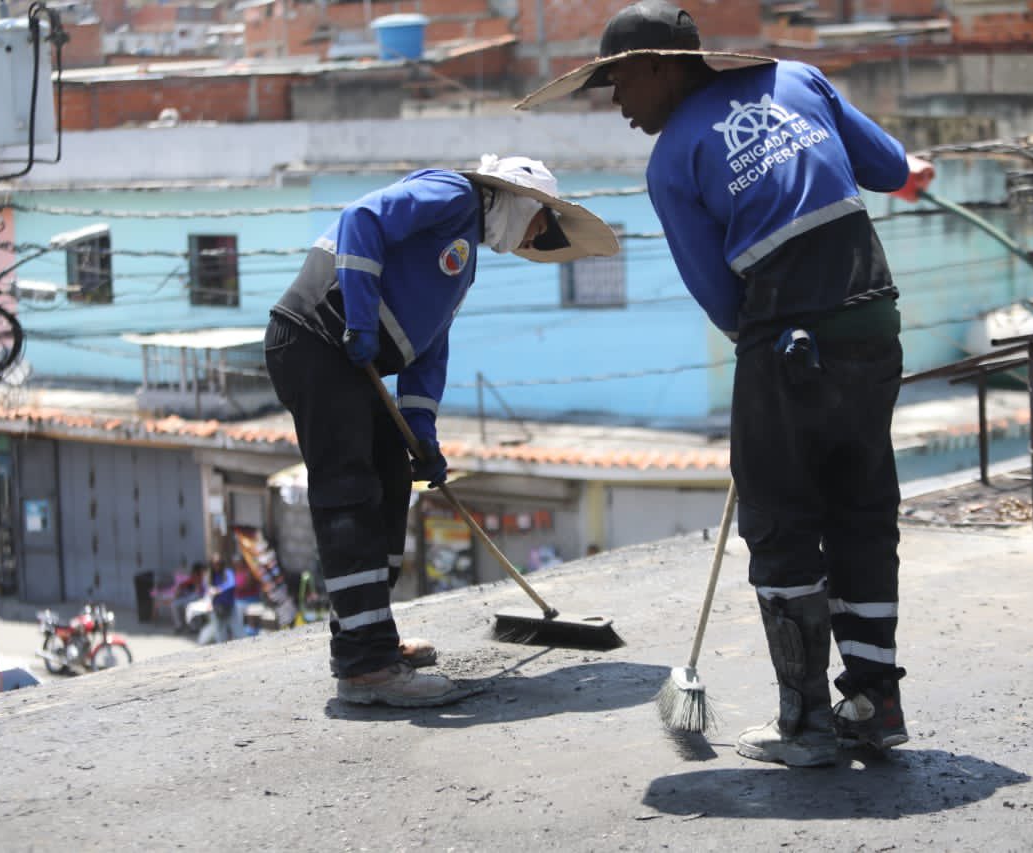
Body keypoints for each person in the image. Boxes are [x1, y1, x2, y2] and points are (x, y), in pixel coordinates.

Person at [519, 1, 934, 766]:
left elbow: (721, 297)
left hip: (786, 336)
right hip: (874, 323)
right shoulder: (799, 77)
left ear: (658, 66)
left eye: (617, 82)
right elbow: (889, 169)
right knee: (860, 513)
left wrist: (764, 382)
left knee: (779, 524)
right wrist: (908, 170)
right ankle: (875, 703)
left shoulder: (672, 158)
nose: (614, 102)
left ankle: (805, 725)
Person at [265, 155, 618, 708]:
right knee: (350, 494)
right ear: (519, 198)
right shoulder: (452, 193)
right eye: (541, 218)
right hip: (317, 342)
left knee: (387, 486)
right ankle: (366, 669)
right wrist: (358, 316)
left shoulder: (464, 258)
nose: (539, 233)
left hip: (356, 365)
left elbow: (425, 347)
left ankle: (368, 640)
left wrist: (420, 432)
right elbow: (361, 219)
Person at [206, 554, 237, 645]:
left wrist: (220, 589)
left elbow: (232, 584)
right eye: (215, 564)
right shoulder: (211, 575)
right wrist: (210, 592)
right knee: (219, 629)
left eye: (219, 563)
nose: (217, 566)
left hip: (229, 606)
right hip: (217, 607)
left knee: (234, 628)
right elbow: (207, 589)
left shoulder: (227, 572)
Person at [169, 561, 206, 634]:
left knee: (188, 606)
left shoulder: (205, 578)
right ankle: (179, 626)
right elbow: (182, 585)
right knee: (174, 604)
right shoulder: (193, 578)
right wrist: (178, 591)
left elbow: (204, 591)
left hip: (202, 598)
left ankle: (194, 627)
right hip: (190, 597)